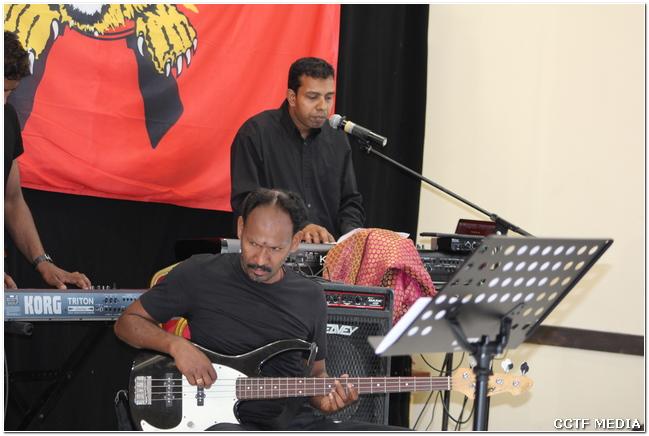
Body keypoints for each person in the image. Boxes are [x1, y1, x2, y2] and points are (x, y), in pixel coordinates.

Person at [114, 188, 406, 431]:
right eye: (253, 243)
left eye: (275, 249)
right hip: (222, 424)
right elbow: (127, 323)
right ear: (240, 228)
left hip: (293, 423)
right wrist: (176, 346)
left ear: (294, 243)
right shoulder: (199, 274)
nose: (261, 259)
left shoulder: (311, 297)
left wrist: (328, 400)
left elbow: (317, 376)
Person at [230, 57, 365, 244]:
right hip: (273, 251)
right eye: (312, 97)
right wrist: (300, 226)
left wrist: (352, 235)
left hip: (329, 253)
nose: (323, 107)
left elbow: (350, 201)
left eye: (328, 97)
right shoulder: (256, 134)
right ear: (292, 97)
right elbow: (246, 201)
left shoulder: (337, 139)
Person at [4, 31, 91, 290]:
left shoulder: (7, 119)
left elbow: (11, 200)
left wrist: (43, 262)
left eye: (10, 91)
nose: (4, 100)